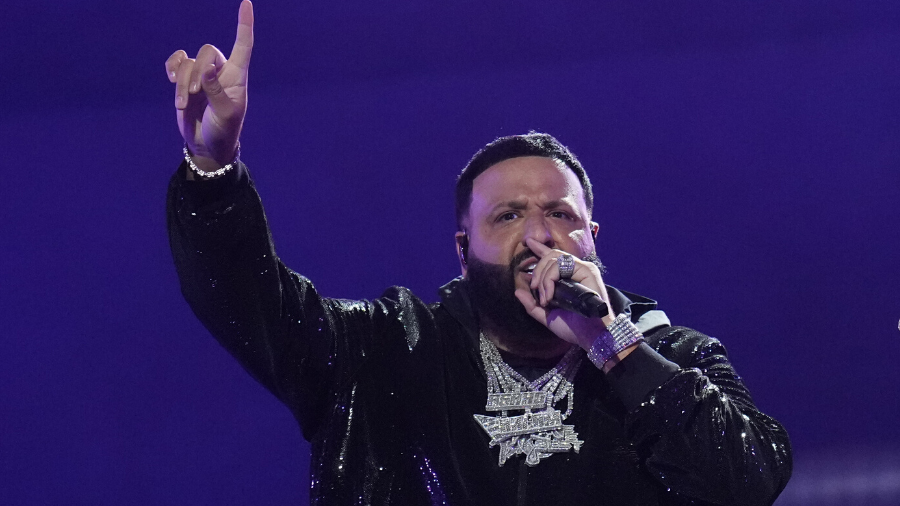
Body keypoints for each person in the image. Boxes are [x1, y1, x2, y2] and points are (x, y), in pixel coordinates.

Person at [164, 2, 792, 504]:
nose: (539, 234)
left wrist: (613, 347)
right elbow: (250, 301)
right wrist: (213, 169)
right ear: (463, 251)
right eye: (508, 215)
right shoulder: (385, 353)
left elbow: (747, 482)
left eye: (561, 214)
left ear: (593, 240)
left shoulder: (675, 359)